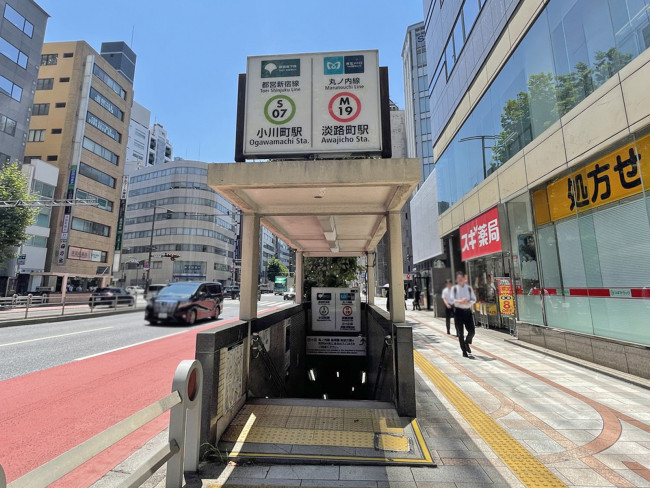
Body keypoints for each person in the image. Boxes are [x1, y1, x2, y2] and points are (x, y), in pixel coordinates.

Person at [453, 272, 477, 358]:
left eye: (461, 278)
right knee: (460, 333)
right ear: (457, 280)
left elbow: (474, 299)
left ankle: (467, 342)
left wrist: (468, 301)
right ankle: (464, 351)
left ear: (464, 279)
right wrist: (460, 301)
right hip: (458, 312)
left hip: (467, 312)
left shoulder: (469, 289)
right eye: (458, 279)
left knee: (472, 331)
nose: (460, 280)